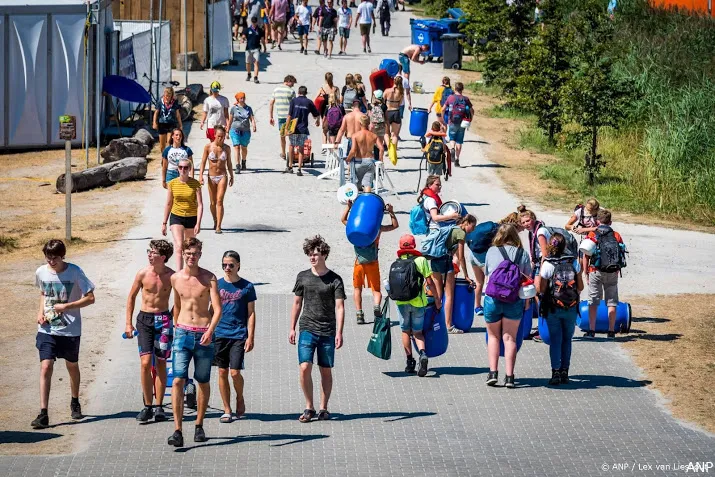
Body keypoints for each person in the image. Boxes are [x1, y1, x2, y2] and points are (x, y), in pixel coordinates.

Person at [32, 240, 96, 429]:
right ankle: (43, 413)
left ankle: (75, 400)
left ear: (63, 256)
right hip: (47, 329)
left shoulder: (75, 272)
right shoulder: (41, 272)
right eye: (48, 257)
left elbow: (90, 298)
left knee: (72, 366)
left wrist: (67, 306)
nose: (52, 261)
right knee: (46, 366)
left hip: (70, 329)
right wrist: (40, 313)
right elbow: (44, 293)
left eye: (56, 258)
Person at [167, 238, 222, 447]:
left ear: (200, 254)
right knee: (179, 379)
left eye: (195, 253)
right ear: (182, 254)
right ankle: (177, 430)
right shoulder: (175, 278)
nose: (191, 257)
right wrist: (175, 328)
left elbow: (217, 309)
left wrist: (210, 330)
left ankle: (199, 424)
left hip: (203, 334)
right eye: (188, 253)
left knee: (202, 380)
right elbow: (177, 305)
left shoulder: (209, 278)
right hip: (182, 333)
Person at [289, 236, 346, 423]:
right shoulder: (302, 277)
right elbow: (297, 303)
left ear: (324, 255)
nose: (312, 258)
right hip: (307, 328)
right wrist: (292, 328)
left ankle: (324, 407)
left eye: (315, 254)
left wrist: (339, 332)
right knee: (305, 367)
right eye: (310, 254)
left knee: (325, 370)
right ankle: (309, 406)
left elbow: (340, 307)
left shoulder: (335, 279)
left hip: (328, 331)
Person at [124, 240, 175, 422]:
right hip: (144, 320)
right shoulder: (143, 273)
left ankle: (160, 406)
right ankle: (148, 405)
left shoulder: (172, 276)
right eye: (149, 251)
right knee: (146, 363)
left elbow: (181, 298)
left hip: (163, 320)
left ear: (163, 257)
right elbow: (131, 297)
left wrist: (171, 316)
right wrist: (128, 324)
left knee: (161, 362)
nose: (149, 254)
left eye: (153, 252)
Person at [483, 224, 532, 388]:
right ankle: (510, 377)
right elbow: (527, 280)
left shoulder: (491, 251)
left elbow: (488, 273)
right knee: (510, 338)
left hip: (493, 299)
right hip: (514, 299)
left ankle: (492, 373)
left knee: (493, 337)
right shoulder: (523, 253)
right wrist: (527, 302)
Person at [214, 250, 257, 423]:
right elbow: (211, 309)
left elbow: (251, 313)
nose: (227, 268)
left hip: (238, 333)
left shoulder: (247, 286)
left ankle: (239, 396)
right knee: (222, 371)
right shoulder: (216, 285)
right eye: (224, 265)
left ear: (238, 265)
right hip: (219, 333)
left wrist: (250, 336)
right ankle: (227, 409)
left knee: (234, 372)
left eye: (231, 265)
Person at [390, 234, 441, 376]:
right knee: (418, 332)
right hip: (419, 302)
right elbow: (429, 282)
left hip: (401, 302)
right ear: (414, 245)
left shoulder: (398, 261)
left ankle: (409, 362)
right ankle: (423, 354)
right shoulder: (421, 260)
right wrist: (437, 299)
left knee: (406, 331)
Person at [341, 201, 398, 324]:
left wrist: (349, 208)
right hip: (373, 262)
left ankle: (359, 314)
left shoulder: (356, 227)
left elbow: (343, 220)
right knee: (376, 290)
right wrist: (391, 212)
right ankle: (376, 306)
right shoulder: (377, 229)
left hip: (359, 263)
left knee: (357, 289)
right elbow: (394, 226)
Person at [417, 176, 461, 332]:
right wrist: (452, 216)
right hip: (440, 242)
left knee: (437, 290)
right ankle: (448, 324)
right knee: (448, 291)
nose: (440, 187)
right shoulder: (431, 201)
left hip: (434, 246)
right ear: (430, 185)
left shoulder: (427, 197)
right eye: (437, 185)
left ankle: (436, 323)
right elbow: (435, 217)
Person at [539, 233, 583, 385]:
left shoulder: (548, 264)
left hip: (553, 307)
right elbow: (581, 286)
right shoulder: (574, 263)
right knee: (567, 339)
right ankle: (565, 371)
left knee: (555, 340)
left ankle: (555, 372)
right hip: (571, 307)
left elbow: (542, 288)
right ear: (565, 245)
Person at [580, 209, 626, 339]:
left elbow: (586, 255)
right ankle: (611, 331)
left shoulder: (593, 234)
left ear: (597, 221)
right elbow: (621, 253)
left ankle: (592, 330)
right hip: (612, 272)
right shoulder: (616, 235)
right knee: (611, 302)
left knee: (593, 301)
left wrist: (586, 273)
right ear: (610, 222)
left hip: (596, 271)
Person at [162, 158, 203, 270]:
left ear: (189, 169)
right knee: (179, 246)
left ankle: (189, 270)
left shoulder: (195, 184)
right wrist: (164, 222)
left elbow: (200, 205)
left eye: (185, 167)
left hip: (191, 217)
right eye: (180, 167)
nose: (183, 170)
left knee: (189, 248)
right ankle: (179, 274)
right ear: (178, 169)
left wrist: (198, 223)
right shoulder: (172, 183)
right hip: (177, 217)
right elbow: (169, 203)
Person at [199, 126, 233, 234]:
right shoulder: (208, 147)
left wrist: (232, 175)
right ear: (214, 135)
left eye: (223, 137)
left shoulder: (227, 148)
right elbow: (203, 162)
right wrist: (200, 175)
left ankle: (219, 225)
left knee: (219, 201)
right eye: (219, 136)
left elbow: (229, 163)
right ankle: (215, 219)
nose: (221, 139)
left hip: (222, 175)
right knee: (213, 202)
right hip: (211, 176)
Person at [285, 85, 320, 176]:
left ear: (298, 92)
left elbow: (289, 116)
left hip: (293, 128)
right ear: (306, 93)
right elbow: (316, 114)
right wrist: (318, 120)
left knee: (292, 145)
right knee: (301, 148)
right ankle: (299, 169)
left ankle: (290, 166)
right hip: (303, 128)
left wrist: (286, 128)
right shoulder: (309, 102)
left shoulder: (293, 101)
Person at [346, 115, 383, 192]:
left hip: (358, 162)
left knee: (355, 185)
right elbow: (381, 149)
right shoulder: (373, 136)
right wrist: (380, 160)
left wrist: (348, 159)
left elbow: (353, 150)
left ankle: (356, 202)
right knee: (367, 184)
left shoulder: (355, 136)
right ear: (368, 123)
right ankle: (367, 201)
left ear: (360, 123)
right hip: (369, 161)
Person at [442, 82, 473, 167]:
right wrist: (470, 120)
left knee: (452, 138)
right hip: (462, 123)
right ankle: (457, 159)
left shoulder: (450, 97)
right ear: (462, 89)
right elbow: (472, 111)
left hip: (452, 121)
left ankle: (452, 148)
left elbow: (443, 109)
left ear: (455, 89)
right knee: (459, 141)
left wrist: (443, 119)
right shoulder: (466, 99)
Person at [269, 75, 297, 163]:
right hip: (290, 117)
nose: (293, 85)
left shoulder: (275, 90)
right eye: (292, 83)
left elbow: (271, 103)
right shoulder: (291, 91)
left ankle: (284, 153)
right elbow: (295, 105)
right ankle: (293, 153)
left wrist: (271, 117)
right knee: (292, 136)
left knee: (282, 135)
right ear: (288, 81)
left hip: (281, 117)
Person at [228, 92, 257, 174]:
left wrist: (254, 125)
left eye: (243, 97)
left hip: (246, 131)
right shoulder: (233, 108)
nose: (242, 99)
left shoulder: (248, 108)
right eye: (241, 98)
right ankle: (237, 166)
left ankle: (243, 161)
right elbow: (230, 120)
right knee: (236, 147)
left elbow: (251, 118)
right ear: (237, 99)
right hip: (235, 130)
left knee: (244, 148)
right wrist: (227, 130)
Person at [153, 86, 183, 154]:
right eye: (166, 95)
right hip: (162, 124)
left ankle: (168, 158)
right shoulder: (160, 102)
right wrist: (154, 123)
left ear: (171, 96)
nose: (167, 97)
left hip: (171, 124)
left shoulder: (175, 102)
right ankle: (163, 158)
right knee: (162, 145)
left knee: (169, 142)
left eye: (169, 96)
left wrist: (180, 125)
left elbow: (178, 115)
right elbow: (156, 113)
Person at [317, 73, 342, 142]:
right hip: (334, 110)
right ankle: (332, 143)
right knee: (333, 127)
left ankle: (324, 146)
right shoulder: (336, 89)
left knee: (325, 130)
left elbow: (316, 101)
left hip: (324, 110)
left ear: (325, 79)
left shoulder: (322, 89)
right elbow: (339, 101)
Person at [384, 75, 405, 149]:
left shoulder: (387, 91)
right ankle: (394, 151)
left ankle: (389, 149)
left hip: (388, 112)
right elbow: (400, 104)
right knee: (394, 135)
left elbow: (383, 102)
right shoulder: (401, 92)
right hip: (396, 112)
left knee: (386, 133)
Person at [243, 17, 265, 84]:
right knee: (247, 63)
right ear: (251, 22)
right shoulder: (247, 29)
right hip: (248, 49)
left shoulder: (260, 30)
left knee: (256, 63)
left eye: (255, 22)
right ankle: (249, 74)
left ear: (257, 22)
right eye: (253, 22)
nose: (254, 23)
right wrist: (242, 38)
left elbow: (262, 39)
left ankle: (256, 77)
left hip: (256, 49)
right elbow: (243, 35)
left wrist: (265, 47)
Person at [368, 91, 387, 156]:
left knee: (372, 143)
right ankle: (380, 160)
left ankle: (372, 158)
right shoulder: (383, 106)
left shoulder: (370, 105)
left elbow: (369, 116)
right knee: (380, 144)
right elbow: (386, 117)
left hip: (372, 126)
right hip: (381, 126)